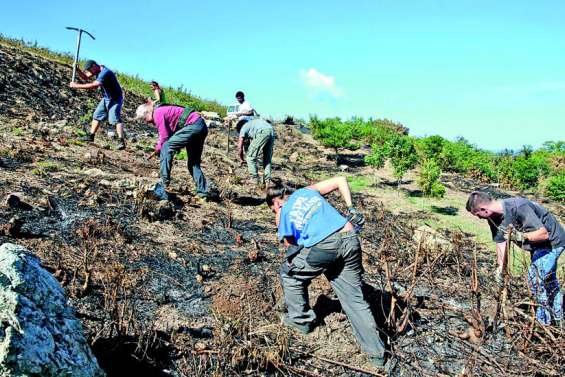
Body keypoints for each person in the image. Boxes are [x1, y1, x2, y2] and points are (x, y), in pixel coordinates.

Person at [266, 177, 387, 368]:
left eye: (273, 209)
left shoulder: (284, 211)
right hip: (350, 237)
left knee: (289, 273)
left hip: (325, 246)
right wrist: (351, 208)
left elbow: (291, 247)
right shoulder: (306, 191)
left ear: (276, 202)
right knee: (354, 299)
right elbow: (341, 179)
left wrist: (279, 218)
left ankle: (300, 320)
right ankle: (377, 356)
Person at [466, 191, 564, 326]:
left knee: (534, 280)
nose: (478, 218)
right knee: (549, 282)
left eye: (477, 214)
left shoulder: (519, 206)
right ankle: (559, 320)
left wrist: (522, 236)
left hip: (552, 242)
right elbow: (501, 242)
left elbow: (543, 234)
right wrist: (501, 268)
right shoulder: (493, 218)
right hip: (537, 247)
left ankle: (543, 324)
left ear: (484, 210)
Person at [135, 102, 209, 201]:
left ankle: (164, 182)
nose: (147, 122)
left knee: (166, 147)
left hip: (193, 125)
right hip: (200, 126)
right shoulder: (160, 112)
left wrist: (158, 148)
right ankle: (202, 193)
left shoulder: (157, 113)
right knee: (193, 163)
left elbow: (164, 137)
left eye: (144, 119)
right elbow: (170, 134)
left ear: (147, 112)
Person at [70, 60, 126, 150]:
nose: (90, 72)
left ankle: (121, 141)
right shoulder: (97, 70)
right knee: (97, 115)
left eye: (90, 70)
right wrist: (77, 70)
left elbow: (94, 85)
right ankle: (91, 136)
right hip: (106, 98)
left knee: (114, 119)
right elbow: (85, 77)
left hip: (115, 98)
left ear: (94, 66)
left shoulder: (105, 72)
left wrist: (76, 86)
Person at [237, 118, 275, 187]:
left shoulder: (243, 128)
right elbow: (247, 145)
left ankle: (254, 178)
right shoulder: (252, 124)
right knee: (267, 158)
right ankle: (268, 181)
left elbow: (240, 146)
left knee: (250, 157)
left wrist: (241, 158)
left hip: (263, 131)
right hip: (271, 131)